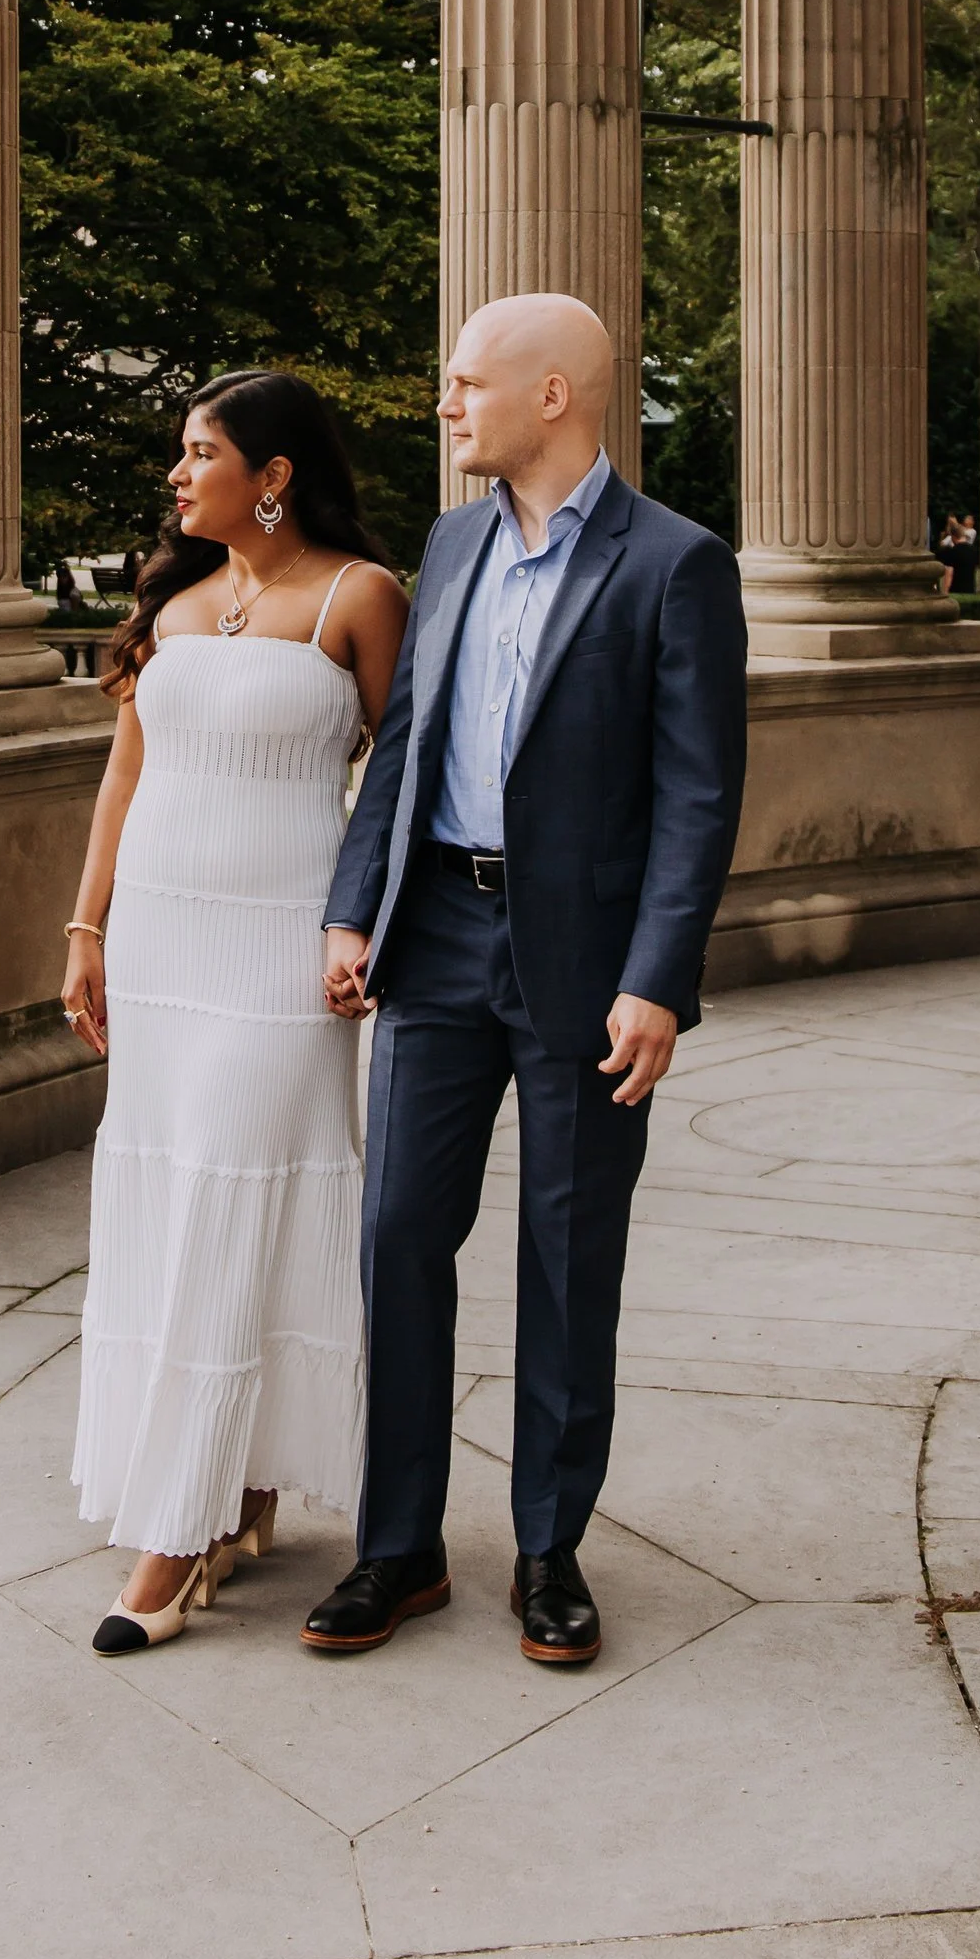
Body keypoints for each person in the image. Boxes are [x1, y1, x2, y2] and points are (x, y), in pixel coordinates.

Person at [306, 295, 748, 1671]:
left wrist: (658, 977)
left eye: (464, 383)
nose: (445, 405)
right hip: (434, 928)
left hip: (582, 959)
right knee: (396, 1234)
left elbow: (698, 790)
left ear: (550, 394)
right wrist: (350, 904)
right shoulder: (447, 542)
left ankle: (549, 1550)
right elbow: (410, 738)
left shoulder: (676, 564)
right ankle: (402, 1544)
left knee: (570, 1255)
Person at [61, 369, 408, 1657]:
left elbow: (400, 773)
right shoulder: (176, 601)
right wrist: (88, 928)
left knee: (235, 1185)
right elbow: (124, 773)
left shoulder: (355, 597)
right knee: (175, 1200)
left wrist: (357, 922)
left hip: (277, 952)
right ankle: (233, 1486)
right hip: (161, 937)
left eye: (199, 451)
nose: (177, 473)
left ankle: (176, 1534)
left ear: (272, 473)